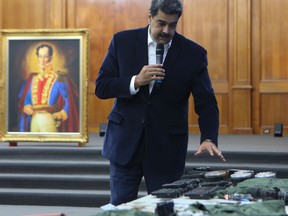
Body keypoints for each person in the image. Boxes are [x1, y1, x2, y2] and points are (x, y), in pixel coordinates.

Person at [95, 0, 226, 206]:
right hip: (125, 145)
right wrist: (136, 81)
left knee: (166, 209)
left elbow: (207, 102)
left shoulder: (194, 54)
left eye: (172, 25)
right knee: (120, 208)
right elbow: (101, 87)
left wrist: (208, 137)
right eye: (161, 23)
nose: (166, 30)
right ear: (149, 16)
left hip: (167, 149)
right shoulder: (122, 41)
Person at [18, 44, 79, 132]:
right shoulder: (33, 79)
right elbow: (26, 101)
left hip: (49, 119)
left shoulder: (59, 78)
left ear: (50, 58)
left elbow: (69, 100)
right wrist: (26, 107)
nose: (42, 60)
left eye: (45, 57)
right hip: (34, 119)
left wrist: (62, 113)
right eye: (40, 56)